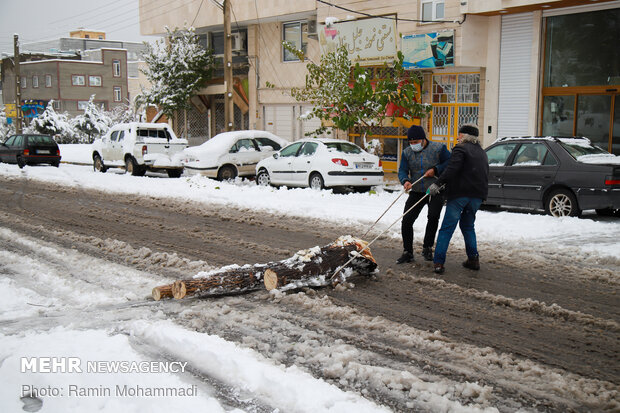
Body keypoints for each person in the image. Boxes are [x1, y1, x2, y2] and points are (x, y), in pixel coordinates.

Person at [427, 125, 489, 274]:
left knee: (447, 228)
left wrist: (438, 183)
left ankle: (439, 263)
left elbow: (452, 169)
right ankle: (473, 259)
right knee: (468, 226)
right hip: (477, 196)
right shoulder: (482, 152)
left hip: (460, 194)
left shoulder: (460, 149)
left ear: (465, 136)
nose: (457, 137)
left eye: (459, 135)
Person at [396, 125, 451, 264]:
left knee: (433, 217)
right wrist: (406, 181)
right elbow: (402, 170)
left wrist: (436, 169)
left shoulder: (439, 148)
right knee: (407, 220)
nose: (413, 145)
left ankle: (427, 247)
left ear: (423, 139)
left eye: (416, 142)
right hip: (416, 190)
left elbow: (449, 162)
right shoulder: (407, 152)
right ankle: (407, 251)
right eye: (411, 142)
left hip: (435, 189)